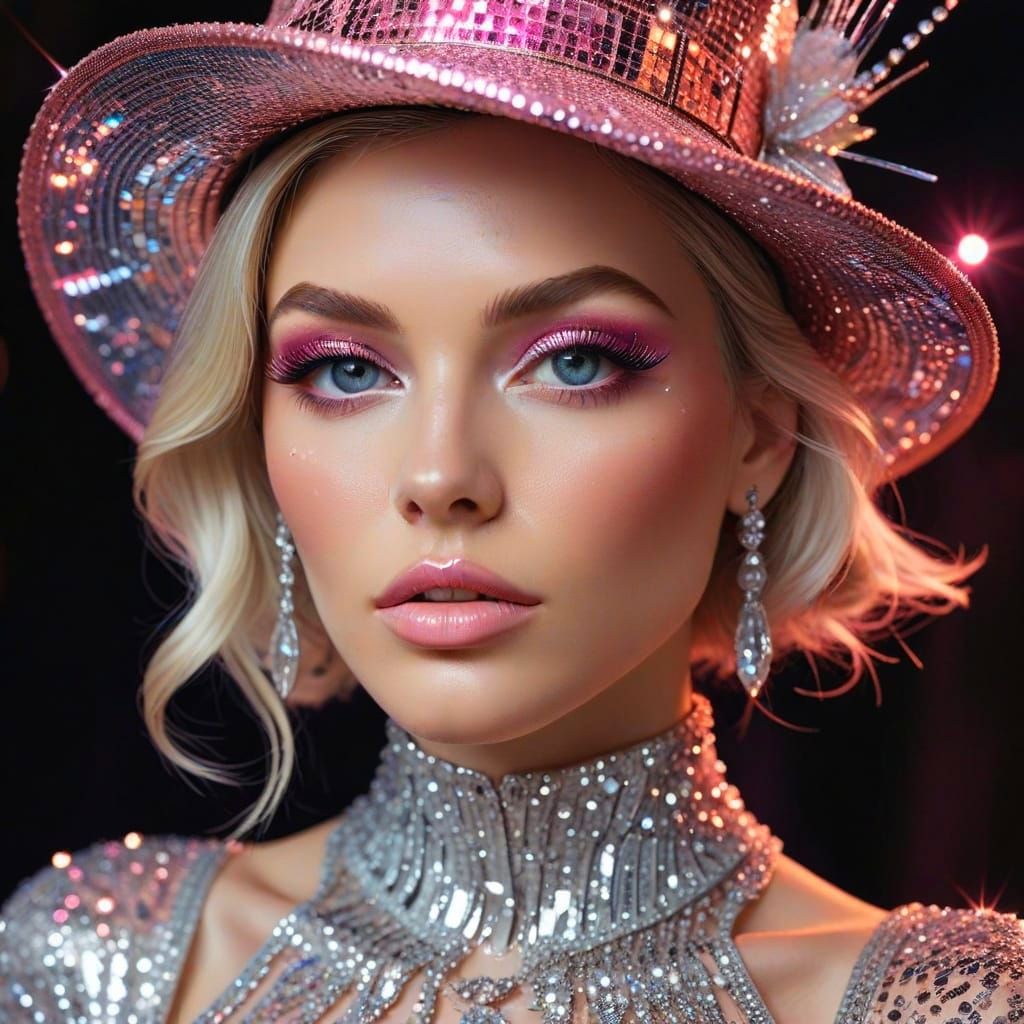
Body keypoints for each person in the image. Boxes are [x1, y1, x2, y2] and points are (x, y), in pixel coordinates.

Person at [2, 0, 1021, 1021]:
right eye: (346, 369)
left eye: (575, 362)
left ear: (756, 433)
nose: (441, 474)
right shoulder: (97, 962)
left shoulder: (951, 1004)